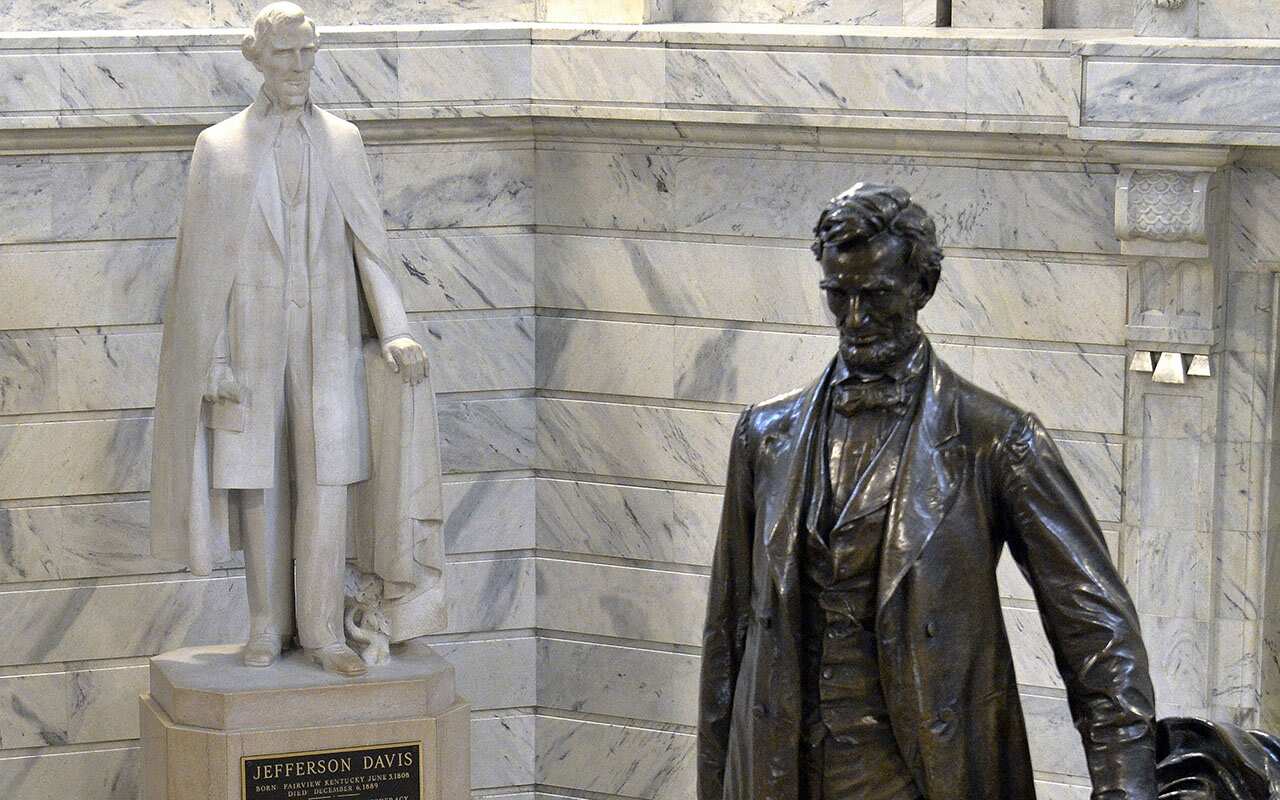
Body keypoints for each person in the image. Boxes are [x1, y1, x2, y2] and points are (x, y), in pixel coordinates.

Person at [697, 183, 1158, 799]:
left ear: (921, 289)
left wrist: (1124, 788)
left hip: (927, 775)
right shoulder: (764, 436)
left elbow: (1097, 632)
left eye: (877, 297)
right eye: (839, 297)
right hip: (780, 772)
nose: (855, 320)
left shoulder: (995, 439)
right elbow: (726, 639)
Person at [149, 2, 432, 677]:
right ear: (259, 59)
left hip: (328, 343)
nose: (298, 67)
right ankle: (266, 625)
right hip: (251, 346)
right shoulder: (219, 148)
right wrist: (212, 355)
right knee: (260, 486)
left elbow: (372, 250)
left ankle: (325, 631)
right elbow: (198, 269)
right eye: (285, 55)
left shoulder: (343, 140)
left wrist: (394, 329)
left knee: (327, 479)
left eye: (307, 54)